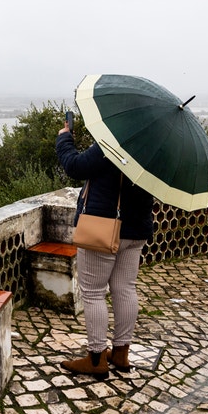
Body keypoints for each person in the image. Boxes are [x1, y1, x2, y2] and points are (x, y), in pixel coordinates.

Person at [55, 120, 154, 379]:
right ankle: (121, 353)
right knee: (125, 288)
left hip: (103, 226)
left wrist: (64, 138)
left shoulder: (116, 139)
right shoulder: (154, 149)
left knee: (93, 292)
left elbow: (75, 166)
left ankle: (96, 359)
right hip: (137, 229)